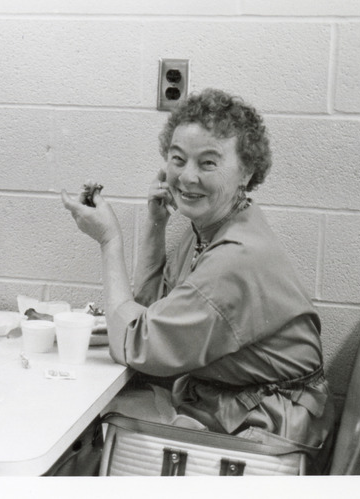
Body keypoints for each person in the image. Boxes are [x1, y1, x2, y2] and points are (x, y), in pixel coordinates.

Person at [61, 88, 335, 474]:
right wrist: (156, 228)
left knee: (84, 450)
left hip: (266, 432)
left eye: (208, 163)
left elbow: (138, 344)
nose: (187, 177)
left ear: (247, 172)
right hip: (230, 403)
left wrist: (109, 241)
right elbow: (155, 312)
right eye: (177, 159)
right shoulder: (214, 225)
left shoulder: (236, 258)